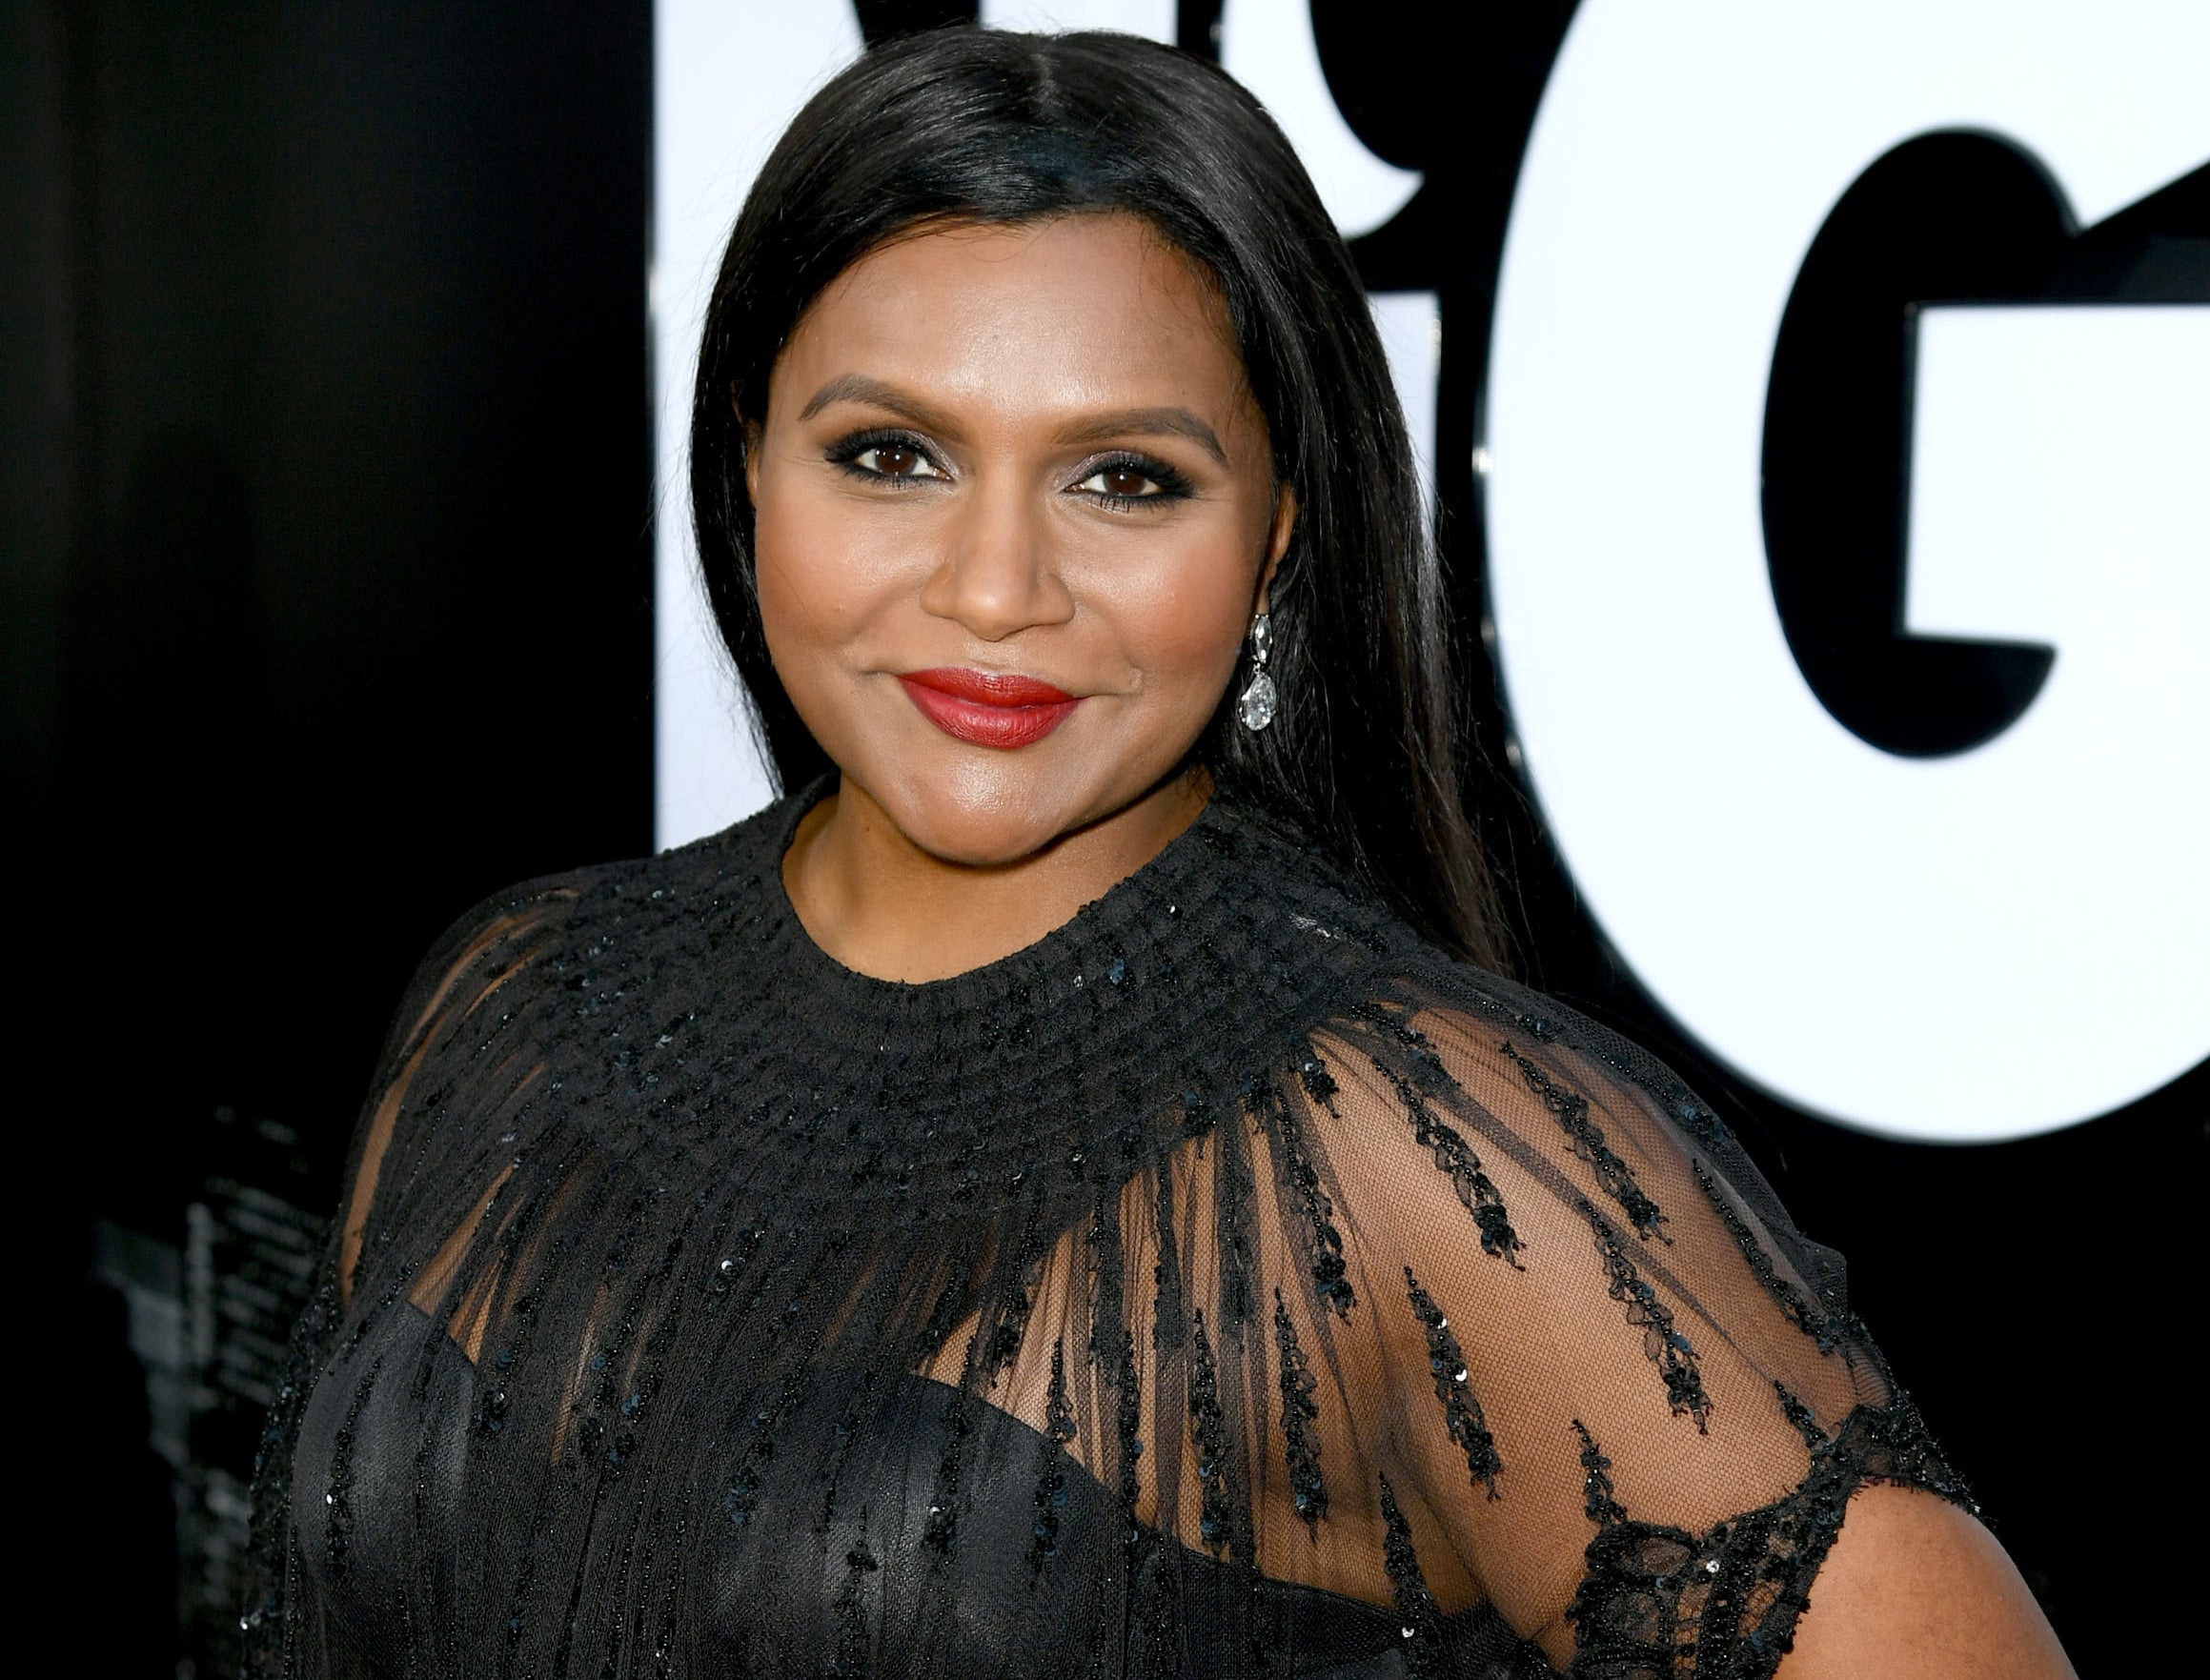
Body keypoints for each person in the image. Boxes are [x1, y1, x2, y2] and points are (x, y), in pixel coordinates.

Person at [246, 27, 2071, 1679]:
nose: (994, 592)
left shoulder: (1411, 1157)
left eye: (1127, 479)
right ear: (747, 469)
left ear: (1279, 538)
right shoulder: (513, 996)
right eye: (890, 455)